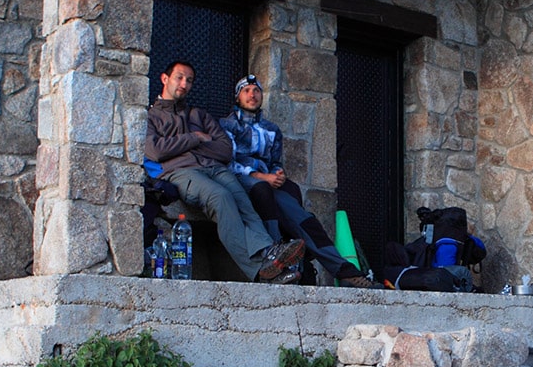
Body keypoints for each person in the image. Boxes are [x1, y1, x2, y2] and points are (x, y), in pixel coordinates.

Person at [143, 60, 304, 283]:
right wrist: (195, 138)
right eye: (179, 77)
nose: (184, 83)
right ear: (164, 79)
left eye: (189, 80)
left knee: (243, 202)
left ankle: (269, 254)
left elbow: (225, 150)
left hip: (215, 169)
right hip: (180, 173)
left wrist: (178, 145)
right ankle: (259, 270)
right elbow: (154, 151)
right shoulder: (151, 117)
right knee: (221, 198)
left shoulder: (199, 115)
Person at [220, 74, 378, 289]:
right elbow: (228, 161)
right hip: (242, 182)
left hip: (268, 183)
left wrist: (278, 174)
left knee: (298, 207)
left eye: (256, 90)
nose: (252, 94)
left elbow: (274, 162)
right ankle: (278, 263)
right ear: (237, 97)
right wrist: (260, 176)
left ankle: (345, 271)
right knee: (264, 191)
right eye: (246, 90)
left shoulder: (271, 129)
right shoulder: (227, 125)